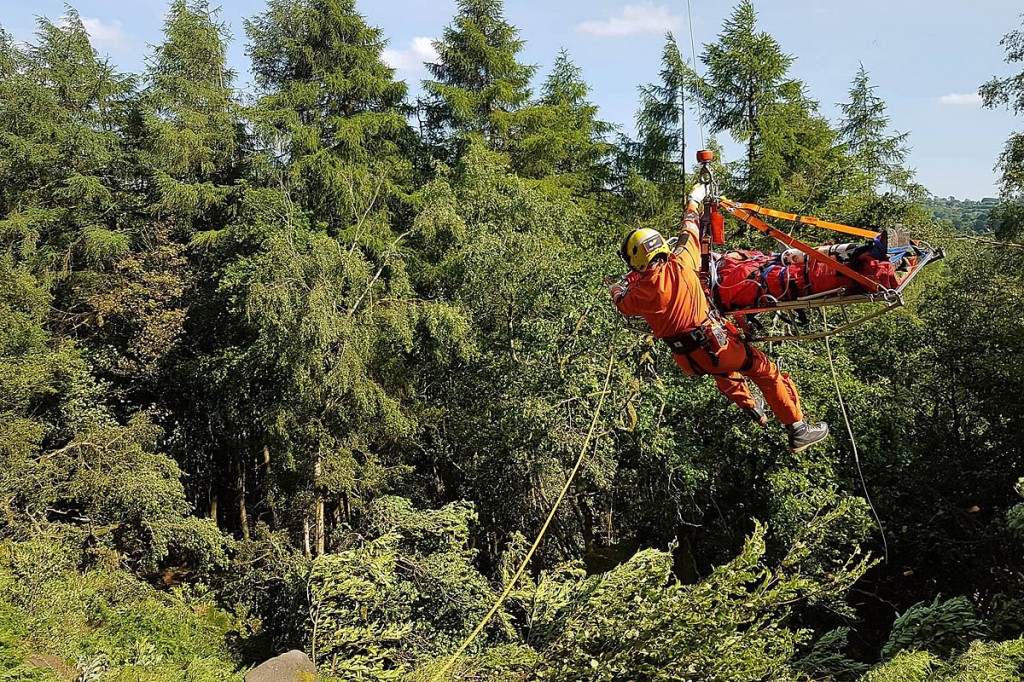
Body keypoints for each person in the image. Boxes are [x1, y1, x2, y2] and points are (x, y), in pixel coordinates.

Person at [609, 184, 829, 453]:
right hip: (714, 347)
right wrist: (694, 200)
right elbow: (689, 228)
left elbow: (622, 302)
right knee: (764, 371)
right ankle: (798, 429)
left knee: (723, 369)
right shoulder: (682, 262)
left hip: (688, 360)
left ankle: (752, 408)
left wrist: (617, 286)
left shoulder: (639, 294)